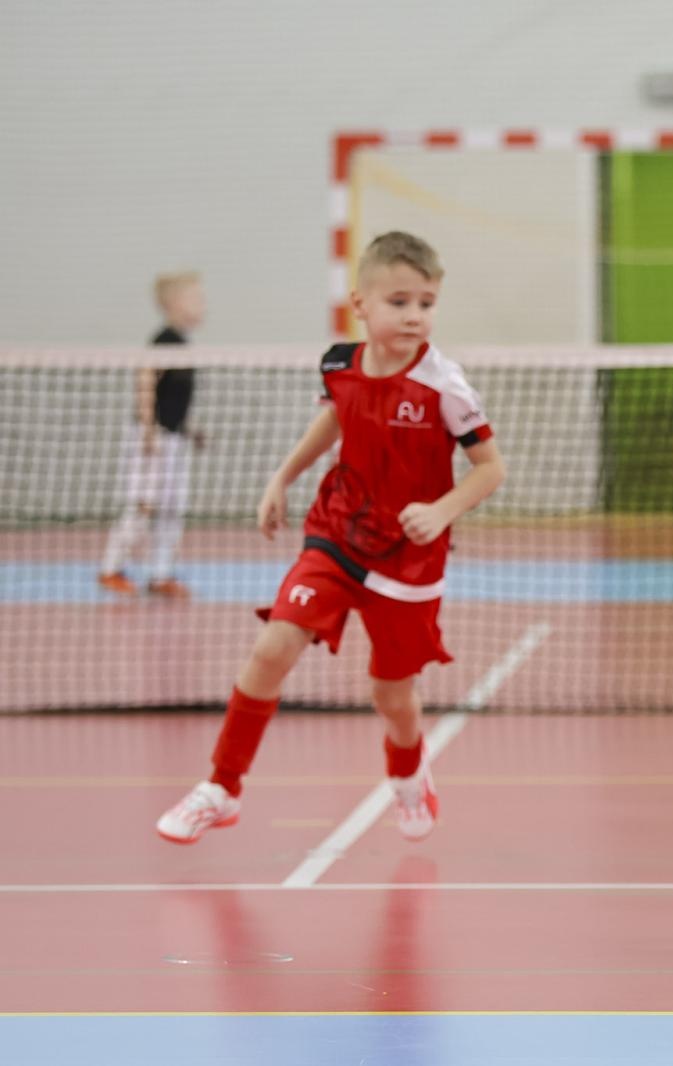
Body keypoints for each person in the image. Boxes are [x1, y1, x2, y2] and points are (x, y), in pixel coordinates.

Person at [154, 232, 506, 845]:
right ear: (361, 304)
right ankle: (221, 787)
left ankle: (406, 770)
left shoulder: (444, 386)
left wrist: (442, 510)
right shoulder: (339, 364)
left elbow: (491, 468)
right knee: (273, 648)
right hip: (337, 534)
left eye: (426, 302)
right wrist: (282, 478)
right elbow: (337, 417)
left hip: (410, 560)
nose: (415, 315)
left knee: (391, 695)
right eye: (399, 301)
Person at [98, 271, 208, 599]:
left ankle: (161, 575)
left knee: (173, 507)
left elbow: (172, 399)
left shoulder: (183, 343)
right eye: (196, 299)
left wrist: (189, 431)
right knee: (143, 504)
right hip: (153, 437)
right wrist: (148, 429)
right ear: (172, 304)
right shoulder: (164, 340)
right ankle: (111, 568)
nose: (203, 306)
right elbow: (145, 378)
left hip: (173, 438)